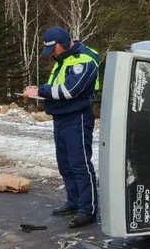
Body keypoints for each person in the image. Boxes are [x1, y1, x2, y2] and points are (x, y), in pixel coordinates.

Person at [24, 27, 101, 228]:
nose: (52, 54)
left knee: (80, 164)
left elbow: (70, 90)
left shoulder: (83, 60)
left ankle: (88, 209)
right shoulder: (64, 59)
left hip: (77, 118)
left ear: (63, 44)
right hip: (61, 116)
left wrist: (40, 90)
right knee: (65, 163)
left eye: (53, 49)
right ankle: (74, 201)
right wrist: (40, 92)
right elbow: (58, 86)